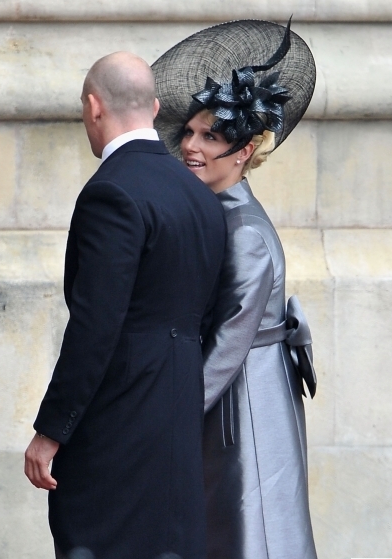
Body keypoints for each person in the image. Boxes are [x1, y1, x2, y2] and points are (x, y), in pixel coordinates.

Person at [24, 51, 226, 559]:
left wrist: (51, 430)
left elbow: (96, 324)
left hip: (119, 424)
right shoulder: (199, 194)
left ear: (94, 107)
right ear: (155, 108)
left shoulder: (111, 191)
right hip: (180, 415)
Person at [153, 19, 318, 559]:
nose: (191, 146)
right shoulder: (219, 213)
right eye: (191, 133)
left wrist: (168, 420)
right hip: (239, 391)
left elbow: (227, 345)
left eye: (211, 137)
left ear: (244, 151)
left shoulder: (243, 230)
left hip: (245, 397)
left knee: (253, 527)